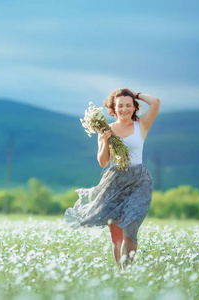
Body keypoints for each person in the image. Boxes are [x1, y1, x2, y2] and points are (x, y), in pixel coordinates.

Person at [64, 87, 160, 268]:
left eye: (128, 105)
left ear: (134, 107)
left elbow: (155, 103)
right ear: (114, 109)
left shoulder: (142, 125)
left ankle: (128, 270)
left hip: (139, 181)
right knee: (116, 231)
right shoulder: (106, 129)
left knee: (131, 225)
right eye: (120, 106)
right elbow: (102, 162)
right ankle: (121, 273)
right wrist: (104, 141)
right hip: (115, 181)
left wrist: (135, 94)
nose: (124, 109)